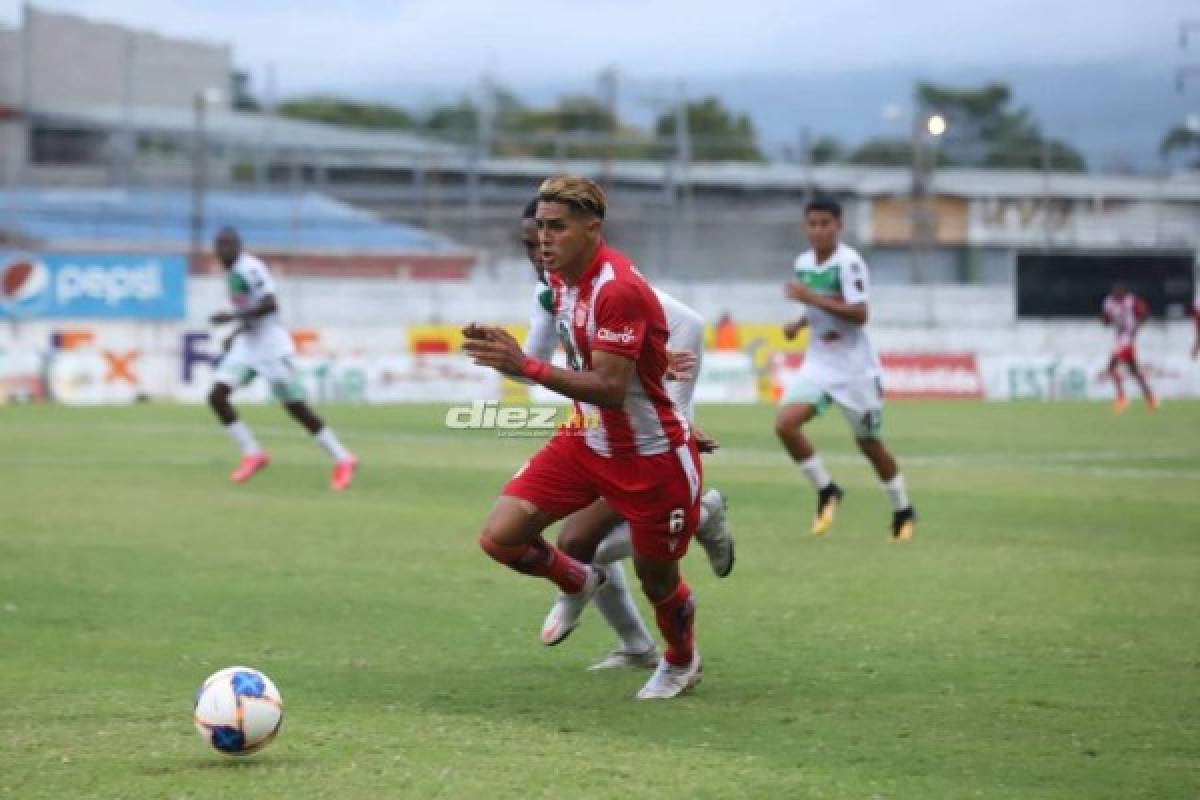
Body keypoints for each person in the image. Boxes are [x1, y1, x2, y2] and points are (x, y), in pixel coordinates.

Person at [465, 176, 704, 699]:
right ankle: (579, 580)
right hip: (586, 439)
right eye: (540, 229)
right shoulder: (559, 284)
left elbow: (612, 389)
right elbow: (590, 369)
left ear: (593, 229)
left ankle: (682, 661)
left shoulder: (616, 288)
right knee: (500, 537)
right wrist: (513, 358)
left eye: (557, 228)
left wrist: (524, 364)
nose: (545, 240)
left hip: (649, 455)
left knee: (659, 580)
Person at [516, 199, 733, 672]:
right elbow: (533, 369)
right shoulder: (549, 295)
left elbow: (688, 325)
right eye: (530, 244)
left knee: (579, 544)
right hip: (595, 430)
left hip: (645, 439)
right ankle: (635, 643)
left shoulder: (612, 287)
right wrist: (508, 357)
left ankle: (696, 519)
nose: (539, 251)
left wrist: (673, 415)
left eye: (549, 236)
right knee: (565, 539)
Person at [774, 197, 916, 541]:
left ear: (840, 226)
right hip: (820, 363)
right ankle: (827, 489)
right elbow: (821, 306)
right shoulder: (803, 262)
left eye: (826, 223)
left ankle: (902, 509)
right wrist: (799, 323)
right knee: (785, 425)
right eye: (813, 224)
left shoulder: (850, 263)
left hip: (855, 368)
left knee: (869, 444)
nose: (819, 230)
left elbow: (859, 313)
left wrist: (808, 300)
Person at [207, 227, 357, 490]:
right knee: (217, 396)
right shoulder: (232, 273)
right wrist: (237, 332)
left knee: (296, 409)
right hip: (248, 345)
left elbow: (270, 304)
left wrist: (233, 319)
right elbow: (249, 309)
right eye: (220, 246)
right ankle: (253, 453)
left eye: (229, 245)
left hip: (271, 348)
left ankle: (343, 458)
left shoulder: (250, 269)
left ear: (239, 246)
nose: (224, 250)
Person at [1101, 282, 1157, 413]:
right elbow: (1106, 319)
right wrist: (1106, 319)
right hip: (1120, 337)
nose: (1117, 293)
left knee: (1112, 365)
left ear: (1124, 292)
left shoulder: (1131, 301)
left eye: (1120, 291)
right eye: (1115, 291)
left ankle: (1122, 398)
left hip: (1128, 338)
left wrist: (1138, 324)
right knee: (1134, 371)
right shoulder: (1109, 302)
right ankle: (1150, 398)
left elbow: (1144, 312)